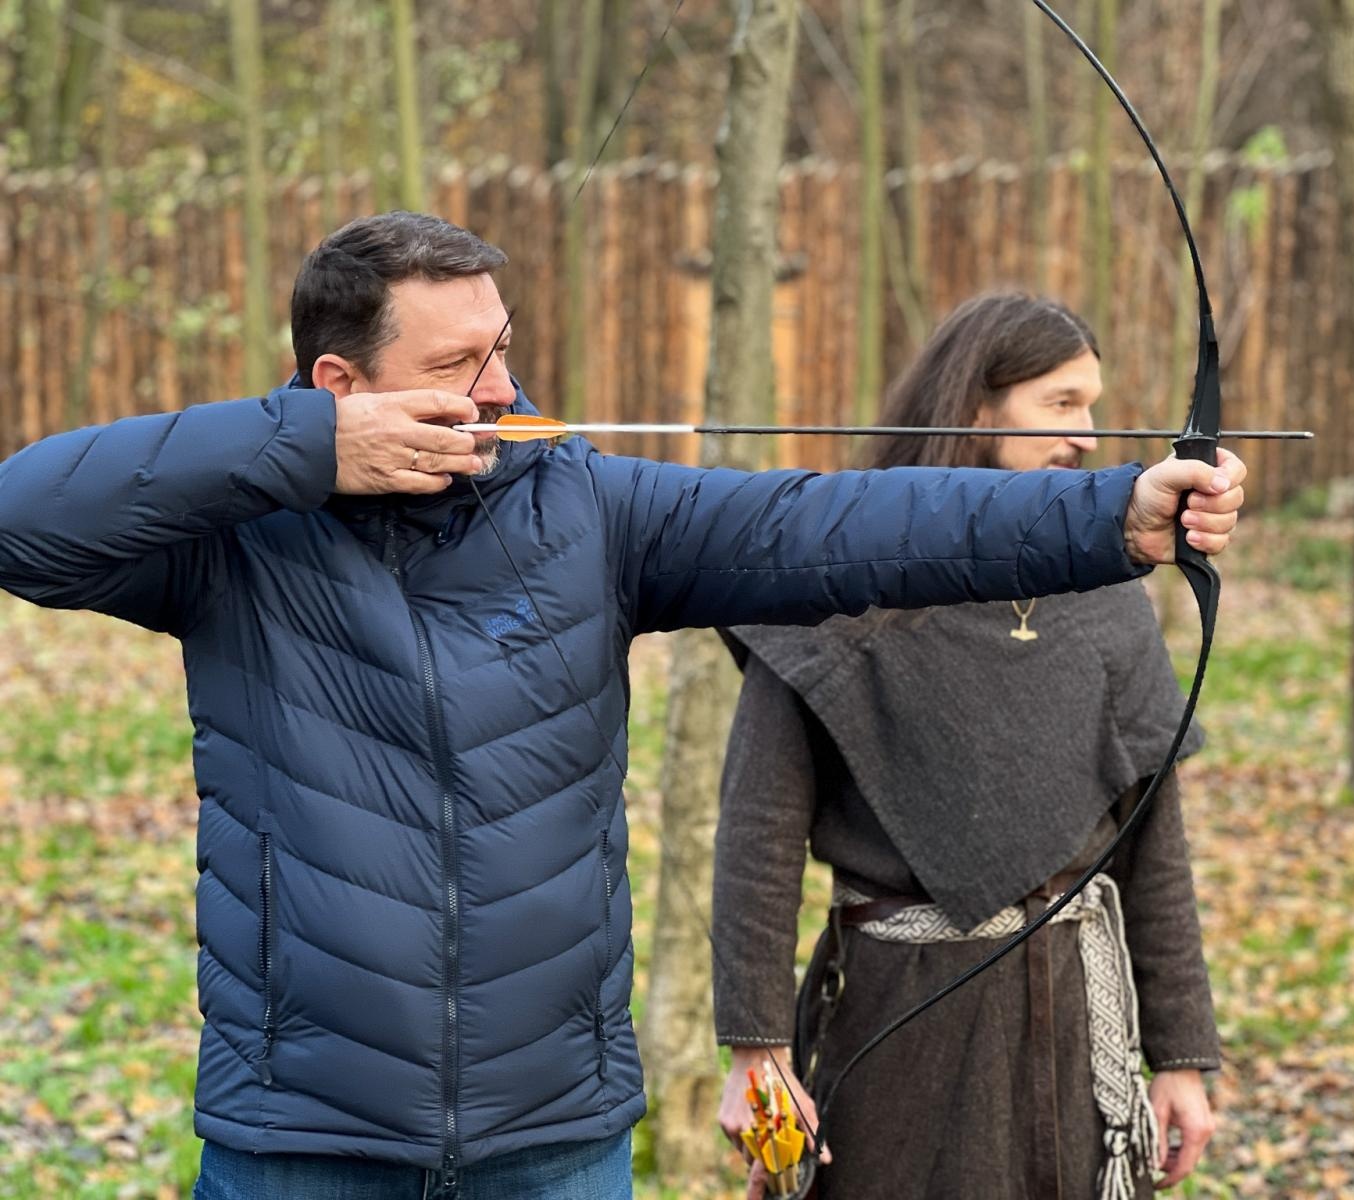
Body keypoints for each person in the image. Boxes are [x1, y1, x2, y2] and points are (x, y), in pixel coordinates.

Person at [0, 216, 1244, 1199]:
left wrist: (1111, 517)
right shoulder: (233, 540)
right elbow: (23, 520)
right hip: (304, 1134)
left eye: (501, 347)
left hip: (552, 1132)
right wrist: (300, 446)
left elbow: (835, 526)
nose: (501, 388)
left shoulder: (588, 508)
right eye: (455, 365)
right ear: (339, 381)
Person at [714, 293, 1223, 1200]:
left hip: (1080, 1019)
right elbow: (759, 838)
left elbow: (1152, 841)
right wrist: (759, 1054)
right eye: (1060, 404)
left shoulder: (1106, 584)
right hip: (901, 1023)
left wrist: (1181, 1055)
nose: (1087, 435)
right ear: (977, 407)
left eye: (1093, 407)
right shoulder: (837, 576)